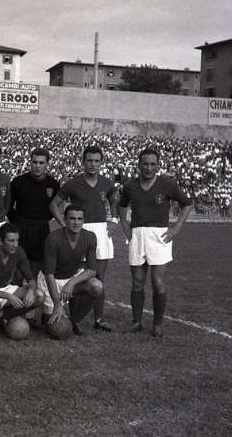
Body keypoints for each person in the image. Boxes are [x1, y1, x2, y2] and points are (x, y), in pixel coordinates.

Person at [118, 147, 193, 338]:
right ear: (138, 165)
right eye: (145, 164)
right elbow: (121, 206)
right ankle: (136, 322)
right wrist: (126, 228)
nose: (149, 168)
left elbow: (187, 204)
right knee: (137, 282)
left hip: (160, 236)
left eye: (153, 164)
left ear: (158, 165)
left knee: (158, 282)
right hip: (137, 235)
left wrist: (176, 228)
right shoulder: (130, 186)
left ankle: (157, 324)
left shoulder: (167, 184)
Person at [49, 145, 118, 332]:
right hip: (79, 231)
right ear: (83, 162)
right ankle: (75, 319)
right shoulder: (73, 183)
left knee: (99, 276)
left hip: (101, 231)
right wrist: (65, 224)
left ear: (101, 163)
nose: (93, 164)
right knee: (77, 275)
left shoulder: (107, 183)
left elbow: (114, 201)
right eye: (89, 160)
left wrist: (114, 220)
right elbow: (54, 204)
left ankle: (99, 319)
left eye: (96, 161)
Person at [39, 204, 103, 336]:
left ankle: (74, 320)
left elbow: (92, 270)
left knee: (97, 286)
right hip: (51, 281)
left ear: (84, 220)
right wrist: (57, 305)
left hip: (70, 277)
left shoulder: (90, 237)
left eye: (80, 219)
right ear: (65, 219)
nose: (76, 222)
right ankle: (46, 311)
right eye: (72, 218)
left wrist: (72, 282)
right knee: (53, 328)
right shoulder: (53, 238)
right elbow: (49, 275)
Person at [0, 222, 45, 330]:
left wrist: (30, 290)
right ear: (1, 241)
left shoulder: (18, 251)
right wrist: (8, 296)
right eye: (11, 241)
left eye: (17, 240)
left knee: (39, 295)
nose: (15, 244)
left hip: (6, 288)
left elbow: (30, 278)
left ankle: (2, 316)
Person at [8, 147, 59, 278]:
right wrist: (16, 221)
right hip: (21, 227)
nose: (37, 166)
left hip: (41, 229)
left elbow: (55, 206)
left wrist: (44, 219)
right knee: (18, 271)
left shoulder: (53, 184)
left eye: (41, 163)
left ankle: (34, 289)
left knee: (36, 270)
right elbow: (9, 206)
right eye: (34, 162)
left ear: (47, 164)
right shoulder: (18, 182)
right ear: (30, 162)